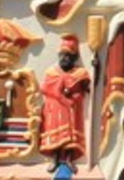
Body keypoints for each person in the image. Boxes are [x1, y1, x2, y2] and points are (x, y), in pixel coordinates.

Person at [38, 35, 92, 176]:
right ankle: (55, 158)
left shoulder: (80, 73)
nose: (64, 58)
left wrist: (74, 94)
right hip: (54, 110)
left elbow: (85, 90)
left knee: (70, 137)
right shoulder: (52, 72)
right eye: (62, 55)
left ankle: (68, 158)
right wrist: (59, 93)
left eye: (68, 55)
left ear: (75, 57)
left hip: (72, 110)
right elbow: (45, 88)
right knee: (55, 136)